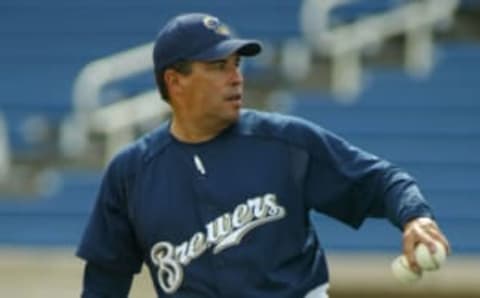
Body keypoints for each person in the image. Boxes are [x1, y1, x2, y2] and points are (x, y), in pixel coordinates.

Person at [77, 12, 450, 298]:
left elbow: (381, 181)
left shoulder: (285, 143)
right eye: (218, 67)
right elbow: (103, 283)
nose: (236, 77)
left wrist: (416, 217)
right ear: (175, 82)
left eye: (237, 64)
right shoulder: (131, 173)